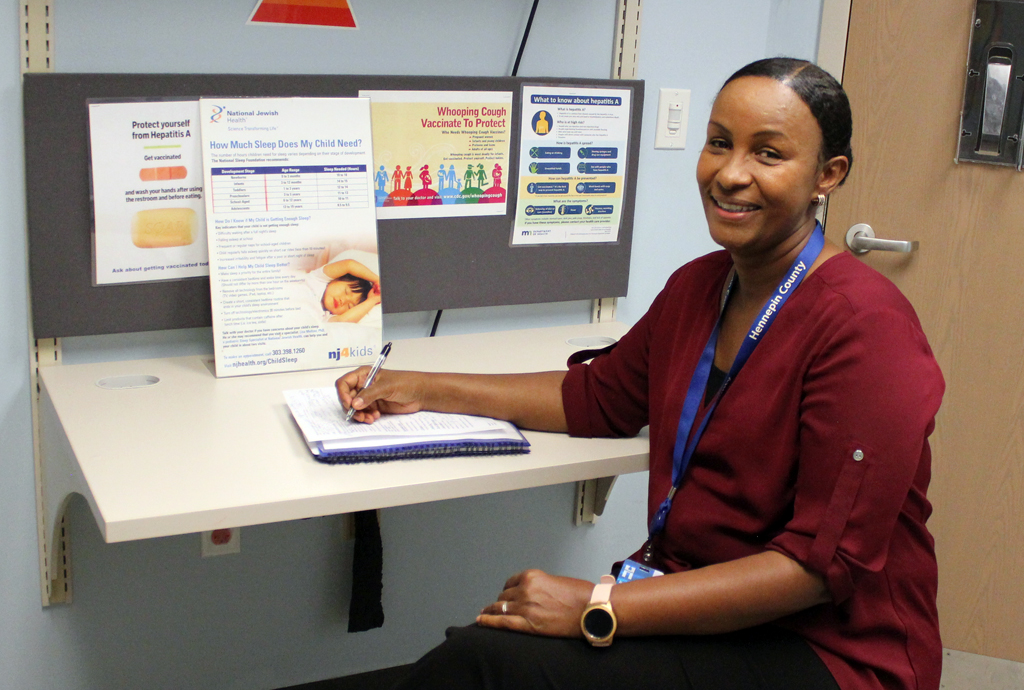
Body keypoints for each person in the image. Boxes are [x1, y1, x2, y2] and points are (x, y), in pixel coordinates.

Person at [336, 58, 944, 690]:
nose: (730, 174)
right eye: (719, 143)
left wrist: (597, 605)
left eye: (768, 154)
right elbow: (595, 398)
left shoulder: (867, 328)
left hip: (828, 650)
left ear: (828, 175)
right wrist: (422, 386)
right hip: (698, 605)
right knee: (493, 650)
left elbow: (816, 569)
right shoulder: (699, 288)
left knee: (487, 665)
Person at [305, 252, 381, 323]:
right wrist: (377, 280)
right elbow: (349, 265)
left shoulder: (323, 317)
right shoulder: (317, 279)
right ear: (335, 278)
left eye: (349, 306)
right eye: (346, 292)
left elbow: (344, 320)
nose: (343, 301)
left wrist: (372, 300)